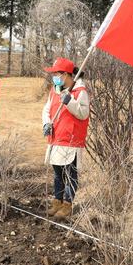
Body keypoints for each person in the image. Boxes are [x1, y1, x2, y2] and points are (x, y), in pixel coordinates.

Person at [42, 57, 90, 219]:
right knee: (57, 174)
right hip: (56, 138)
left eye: (57, 73)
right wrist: (47, 123)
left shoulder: (80, 92)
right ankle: (57, 201)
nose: (54, 77)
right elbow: (47, 110)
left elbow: (83, 114)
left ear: (66, 74)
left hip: (71, 140)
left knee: (70, 174)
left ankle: (67, 205)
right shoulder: (55, 90)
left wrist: (70, 102)